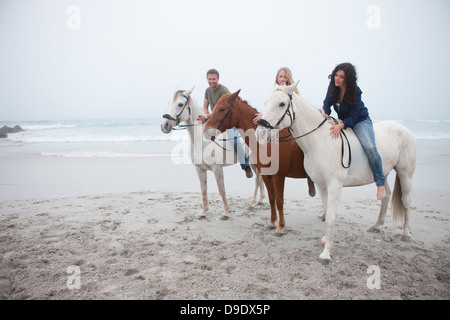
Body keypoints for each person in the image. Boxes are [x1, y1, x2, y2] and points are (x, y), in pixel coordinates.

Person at [322, 62, 386, 200]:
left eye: (341, 76)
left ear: (348, 79)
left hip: (359, 121)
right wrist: (326, 114)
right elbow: (327, 103)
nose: (337, 79)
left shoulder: (355, 91)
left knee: (370, 148)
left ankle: (380, 183)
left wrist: (342, 125)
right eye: (336, 75)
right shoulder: (333, 87)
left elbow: (354, 115)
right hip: (342, 121)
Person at [197, 69, 253, 178]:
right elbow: (205, 105)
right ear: (207, 79)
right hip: (214, 120)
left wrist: (208, 117)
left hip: (225, 121)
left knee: (235, 142)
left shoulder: (224, 90)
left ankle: (246, 166)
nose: (212, 81)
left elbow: (222, 110)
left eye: (214, 79)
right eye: (209, 79)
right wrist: (207, 114)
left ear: (218, 79)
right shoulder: (208, 91)